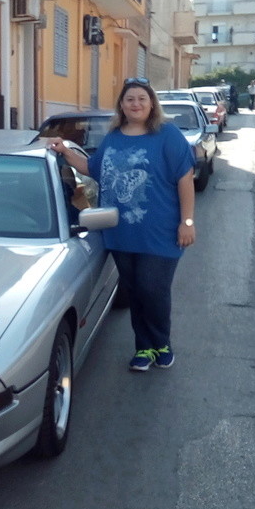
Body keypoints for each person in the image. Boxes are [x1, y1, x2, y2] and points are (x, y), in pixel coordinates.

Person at [48, 78, 195, 372]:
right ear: (122, 105)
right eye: (130, 99)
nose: (136, 104)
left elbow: (185, 179)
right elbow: (92, 168)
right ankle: (144, 348)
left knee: (153, 289)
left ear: (151, 103)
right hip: (120, 233)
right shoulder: (114, 137)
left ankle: (161, 343)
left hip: (161, 233)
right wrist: (65, 150)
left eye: (142, 98)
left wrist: (187, 221)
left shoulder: (168, 135)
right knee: (135, 291)